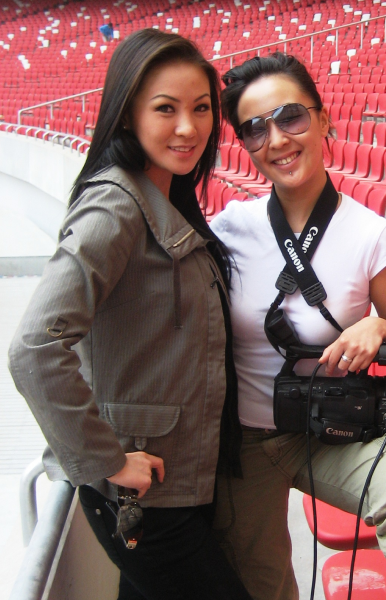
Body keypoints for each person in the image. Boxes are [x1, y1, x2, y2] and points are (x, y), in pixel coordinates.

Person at [210, 53, 386, 600]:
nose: (276, 139)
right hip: (245, 438)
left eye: (290, 118)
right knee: (258, 582)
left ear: (324, 119)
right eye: (254, 129)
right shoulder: (229, 228)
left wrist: (381, 327)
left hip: (331, 428)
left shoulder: (371, 235)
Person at [8, 29, 251, 600]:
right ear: (126, 116)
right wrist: (107, 459)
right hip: (145, 494)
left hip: (177, 480)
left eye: (200, 109)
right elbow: (34, 349)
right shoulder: (115, 206)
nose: (189, 128)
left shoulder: (161, 196)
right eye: (165, 109)